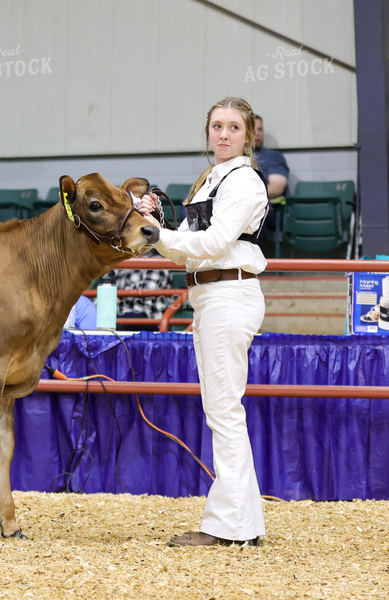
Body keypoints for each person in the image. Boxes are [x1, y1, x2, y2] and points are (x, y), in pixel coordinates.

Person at [137, 97, 268, 547]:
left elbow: (213, 242)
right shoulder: (213, 178)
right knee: (224, 411)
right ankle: (244, 525)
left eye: (234, 127)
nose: (224, 134)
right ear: (208, 132)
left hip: (229, 291)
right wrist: (154, 225)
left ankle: (227, 528)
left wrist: (159, 234)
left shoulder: (244, 180)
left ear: (249, 135)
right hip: (211, 293)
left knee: (224, 413)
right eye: (217, 126)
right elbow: (186, 248)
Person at [253, 115, 290, 249]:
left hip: (265, 208)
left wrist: (246, 197)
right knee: (191, 200)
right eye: (252, 129)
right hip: (233, 205)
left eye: (260, 129)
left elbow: (276, 188)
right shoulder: (235, 157)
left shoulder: (273, 157)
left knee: (253, 207)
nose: (257, 134)